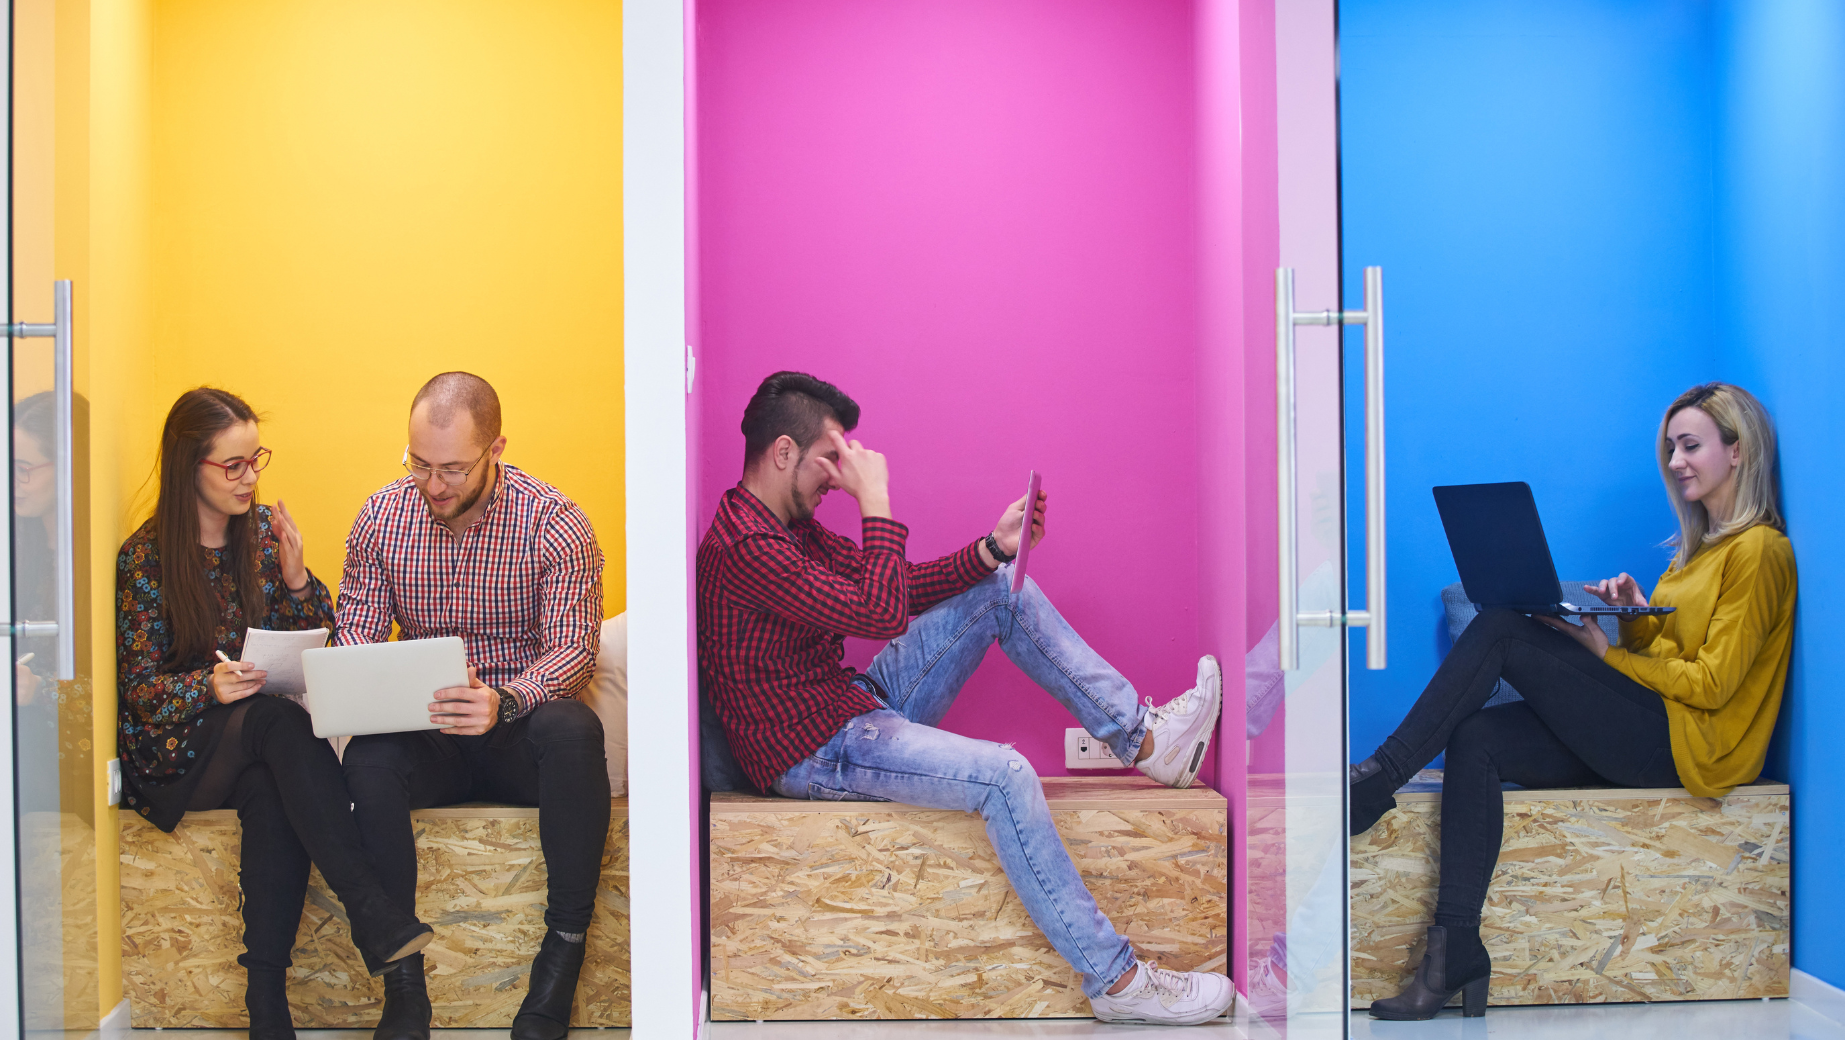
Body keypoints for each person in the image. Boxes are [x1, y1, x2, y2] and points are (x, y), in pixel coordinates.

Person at [698, 371, 1236, 1026]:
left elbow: (897, 589)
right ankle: (1117, 980)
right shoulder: (744, 549)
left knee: (1000, 588)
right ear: (782, 452)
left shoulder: (787, 530)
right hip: (814, 751)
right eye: (828, 462)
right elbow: (879, 610)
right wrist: (876, 501)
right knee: (1006, 776)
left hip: (847, 705)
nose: (837, 478)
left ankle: (1148, 740)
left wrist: (990, 549)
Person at [1351, 382, 1796, 1021]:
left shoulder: (1759, 552)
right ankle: (1454, 951)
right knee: (1477, 737)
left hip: (1691, 748)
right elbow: (1672, 652)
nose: (1676, 462)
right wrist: (1633, 618)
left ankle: (1377, 779)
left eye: (1691, 446)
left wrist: (1607, 651)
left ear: (1739, 451)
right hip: (1655, 728)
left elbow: (1714, 685)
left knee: (1502, 626)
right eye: (1671, 448)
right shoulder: (1697, 550)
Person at [115, 388, 434, 1040]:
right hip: (175, 754)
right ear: (189, 468)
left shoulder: (259, 535)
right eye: (232, 465)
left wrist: (294, 581)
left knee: (270, 782)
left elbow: (325, 637)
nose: (250, 477)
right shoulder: (143, 559)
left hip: (249, 749)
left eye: (255, 459)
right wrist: (208, 687)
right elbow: (139, 691)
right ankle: (370, 910)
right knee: (274, 721)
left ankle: (268, 1010)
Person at [339, 372, 606, 1040]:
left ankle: (561, 958)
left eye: (454, 469)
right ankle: (403, 989)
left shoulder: (555, 522)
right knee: (370, 755)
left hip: (516, 730)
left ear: (496, 448)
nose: (434, 486)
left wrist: (507, 700)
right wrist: (362, 677)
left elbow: (574, 650)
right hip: (428, 733)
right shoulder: (380, 517)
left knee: (574, 728)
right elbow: (356, 639)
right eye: (420, 465)